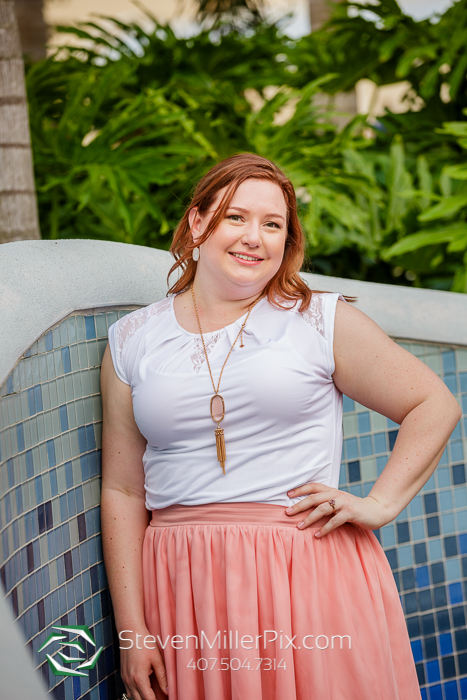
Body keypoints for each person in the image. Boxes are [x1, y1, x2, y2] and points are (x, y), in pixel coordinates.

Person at [100, 153, 461, 700]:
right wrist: (132, 632)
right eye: (236, 217)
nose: (255, 237)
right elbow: (123, 490)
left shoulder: (317, 320)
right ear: (198, 224)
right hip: (183, 581)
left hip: (305, 572)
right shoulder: (132, 340)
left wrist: (380, 504)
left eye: (273, 224)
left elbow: (433, 404)